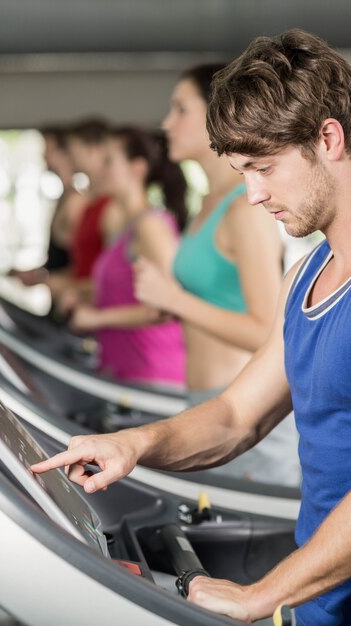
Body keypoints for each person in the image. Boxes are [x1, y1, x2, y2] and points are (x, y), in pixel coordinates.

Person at [31, 29, 351, 624]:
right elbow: (235, 418)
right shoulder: (306, 276)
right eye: (242, 172)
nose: (252, 194)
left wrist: (260, 594)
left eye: (265, 168)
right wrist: (135, 444)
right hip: (321, 602)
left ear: (329, 137)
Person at [134, 63, 299, 485]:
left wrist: (175, 299)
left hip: (243, 411)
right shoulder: (208, 205)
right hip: (205, 403)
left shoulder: (244, 210)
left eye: (179, 109)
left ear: (215, 114)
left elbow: (267, 330)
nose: (167, 123)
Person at [67, 126, 187, 387]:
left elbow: (170, 305)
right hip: (125, 371)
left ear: (137, 168)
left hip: (154, 372)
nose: (101, 169)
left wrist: (96, 318)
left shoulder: (151, 226)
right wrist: (83, 297)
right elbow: (126, 291)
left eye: (109, 161)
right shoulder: (122, 227)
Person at [50, 117, 121, 309]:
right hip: (84, 304)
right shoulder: (86, 201)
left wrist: (70, 287)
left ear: (94, 150)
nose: (72, 157)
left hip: (97, 307)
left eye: (75, 150)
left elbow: (115, 276)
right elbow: (68, 243)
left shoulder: (112, 206)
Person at [10, 124, 87, 288]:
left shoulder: (76, 202)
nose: (44, 155)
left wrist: (40, 278)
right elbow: (59, 259)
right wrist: (37, 273)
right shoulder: (64, 198)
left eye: (48, 149)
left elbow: (78, 264)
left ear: (66, 154)